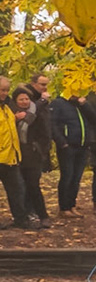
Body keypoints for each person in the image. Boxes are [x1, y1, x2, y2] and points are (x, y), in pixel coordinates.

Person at [0, 90, 34, 230]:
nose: (5, 93)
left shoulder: (6, 107)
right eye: (2, 90)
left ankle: (21, 220)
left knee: (17, 190)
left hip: (10, 157)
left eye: (7, 90)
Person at [16, 83, 50, 223]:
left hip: (33, 155)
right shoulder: (11, 115)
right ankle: (23, 216)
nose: (24, 102)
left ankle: (43, 215)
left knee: (33, 186)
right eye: (21, 99)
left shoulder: (36, 114)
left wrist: (40, 150)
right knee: (19, 187)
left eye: (26, 99)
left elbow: (45, 135)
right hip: (17, 155)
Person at [51, 91, 88, 214]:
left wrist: (84, 105)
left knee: (76, 178)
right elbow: (53, 124)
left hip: (82, 145)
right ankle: (64, 207)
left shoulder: (79, 105)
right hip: (67, 146)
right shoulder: (58, 103)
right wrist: (62, 142)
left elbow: (94, 119)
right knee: (67, 176)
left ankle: (72, 205)